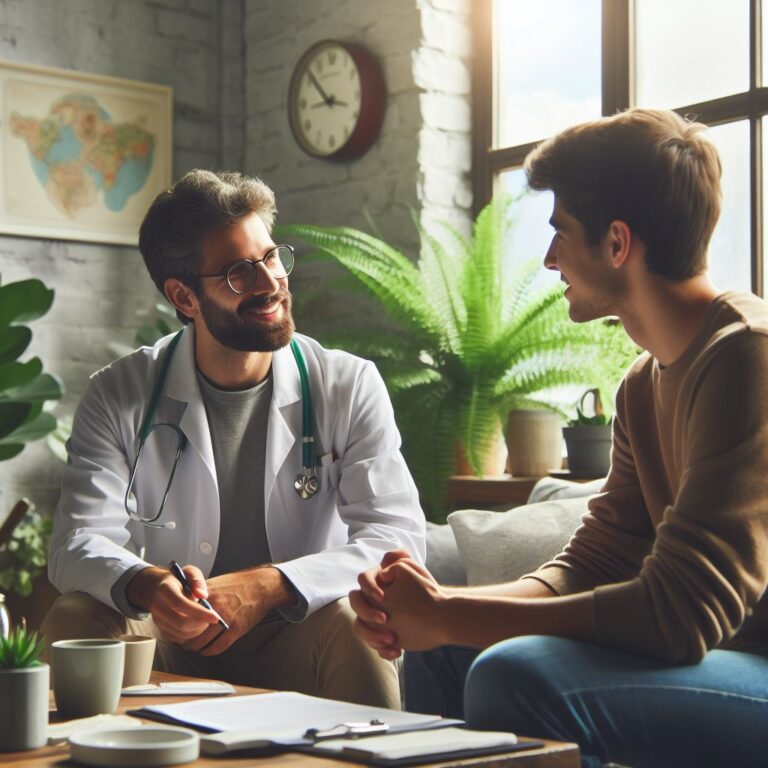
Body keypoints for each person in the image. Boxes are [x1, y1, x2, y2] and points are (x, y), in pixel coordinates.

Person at [349, 109, 768, 765]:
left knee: (513, 673)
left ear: (618, 244)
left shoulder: (748, 356)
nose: (549, 260)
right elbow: (595, 561)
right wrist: (439, 607)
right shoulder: (639, 385)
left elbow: (680, 615)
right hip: (716, 662)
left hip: (754, 671)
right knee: (439, 650)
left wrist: (456, 614)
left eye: (560, 234)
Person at [44, 169, 426, 708]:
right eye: (239, 273)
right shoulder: (119, 392)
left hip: (297, 637)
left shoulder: (346, 383)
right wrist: (148, 585)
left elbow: (398, 540)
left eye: (271, 257)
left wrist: (271, 585)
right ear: (185, 296)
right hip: (166, 644)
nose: (270, 282)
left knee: (353, 623)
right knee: (74, 616)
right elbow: (74, 543)